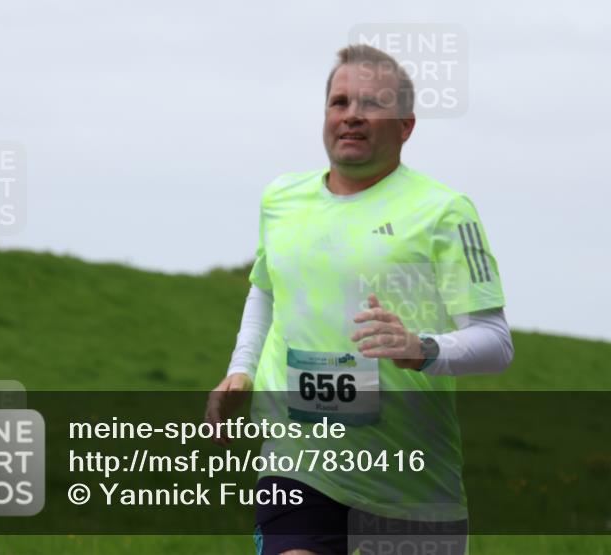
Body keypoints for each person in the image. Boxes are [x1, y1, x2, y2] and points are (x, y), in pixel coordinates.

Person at [204, 44, 513, 555]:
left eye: (371, 104)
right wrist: (242, 369)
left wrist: (422, 349)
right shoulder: (282, 199)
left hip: (408, 483)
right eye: (339, 102)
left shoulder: (445, 213)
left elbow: (496, 343)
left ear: (406, 125)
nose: (351, 116)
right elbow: (266, 289)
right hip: (297, 462)